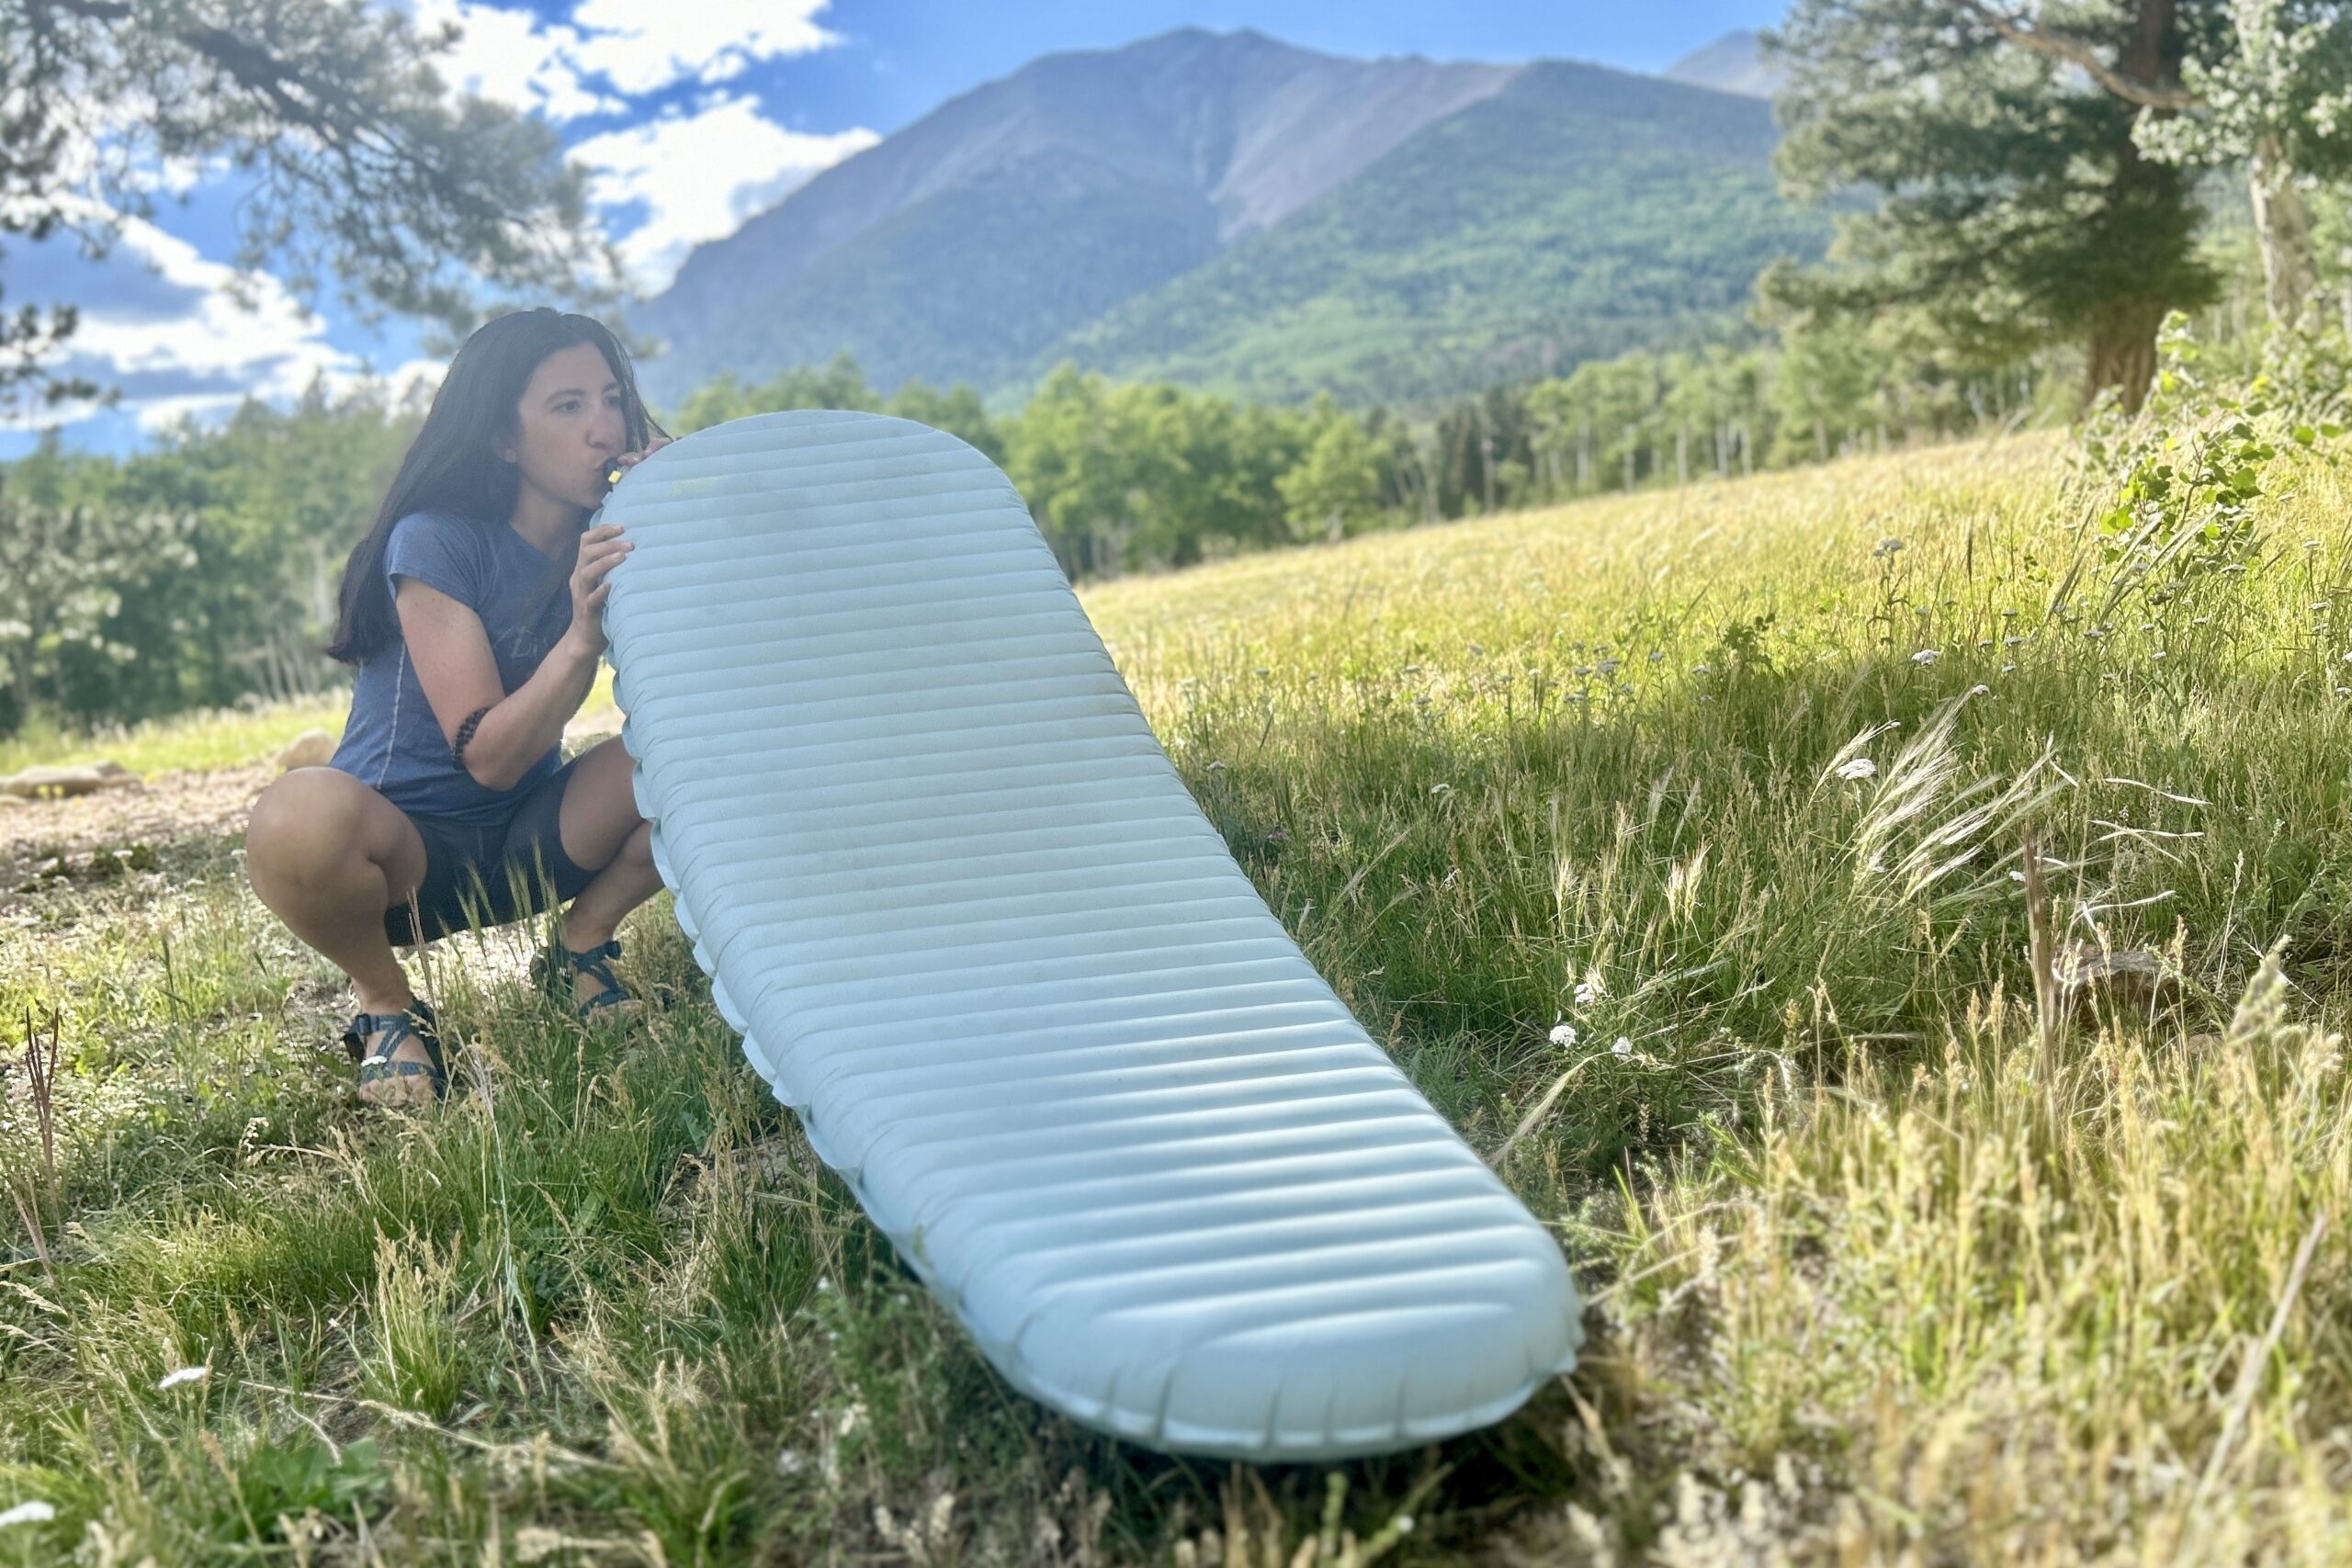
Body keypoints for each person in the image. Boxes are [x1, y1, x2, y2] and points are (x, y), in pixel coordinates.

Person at [245, 308, 672, 1108]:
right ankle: (386, 1001)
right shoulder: (434, 539)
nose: (605, 428)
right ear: (504, 439)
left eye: (611, 399)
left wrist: (683, 516)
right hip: (402, 864)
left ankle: (579, 949)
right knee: (293, 814)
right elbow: (488, 754)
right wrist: (580, 637)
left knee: (694, 748)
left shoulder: (610, 535)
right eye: (568, 406)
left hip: (532, 840)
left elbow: (705, 654)